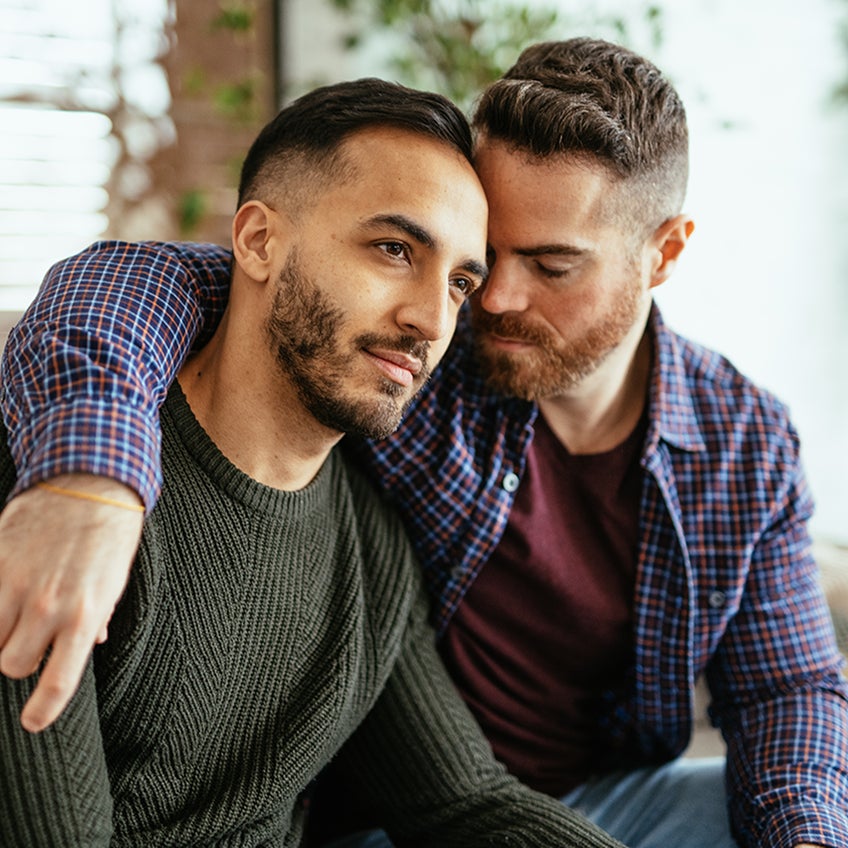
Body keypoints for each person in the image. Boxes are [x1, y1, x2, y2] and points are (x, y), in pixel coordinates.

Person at [1, 36, 846, 848]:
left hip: (580, 795)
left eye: (548, 266)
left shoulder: (745, 439)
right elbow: (134, 284)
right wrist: (92, 476)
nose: (482, 304)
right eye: (474, 259)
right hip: (382, 815)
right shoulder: (414, 363)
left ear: (663, 253)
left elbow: (787, 687)